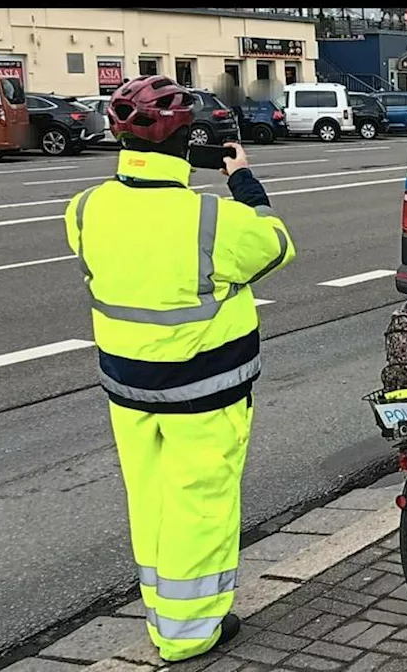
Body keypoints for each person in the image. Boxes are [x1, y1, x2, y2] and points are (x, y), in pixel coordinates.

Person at [62, 75, 296, 663]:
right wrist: (240, 176)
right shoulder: (211, 220)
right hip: (205, 392)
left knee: (151, 500)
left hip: (127, 388)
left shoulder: (86, 208)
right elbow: (274, 243)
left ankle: (160, 612)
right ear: (189, 143)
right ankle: (188, 632)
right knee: (201, 505)